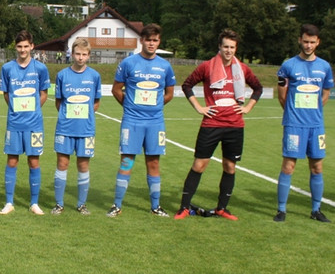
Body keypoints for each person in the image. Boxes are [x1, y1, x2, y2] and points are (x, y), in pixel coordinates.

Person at [175, 29, 263, 221]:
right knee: (199, 165)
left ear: (236, 48)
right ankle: (183, 208)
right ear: (219, 47)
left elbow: (258, 88)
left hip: (235, 125)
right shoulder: (207, 66)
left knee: (230, 167)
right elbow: (187, 85)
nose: (229, 50)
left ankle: (222, 208)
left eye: (232, 47)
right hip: (212, 123)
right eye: (225, 47)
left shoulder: (243, 69)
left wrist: (248, 107)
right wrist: (199, 107)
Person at [109, 23, 176, 218]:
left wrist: (155, 105)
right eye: (148, 40)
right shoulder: (129, 63)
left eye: (155, 40)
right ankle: (117, 205)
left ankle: (155, 207)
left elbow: (169, 93)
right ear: (141, 41)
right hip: (132, 121)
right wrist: (129, 106)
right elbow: (116, 89)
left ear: (159, 41)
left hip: (155, 122)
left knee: (153, 163)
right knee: (127, 162)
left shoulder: (165, 65)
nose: (151, 44)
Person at [274, 24, 334, 222]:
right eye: (305, 41)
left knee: (317, 166)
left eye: (312, 42)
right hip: (294, 125)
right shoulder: (288, 65)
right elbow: (282, 95)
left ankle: (316, 210)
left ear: (318, 42)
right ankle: (281, 210)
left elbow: (326, 92)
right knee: (288, 166)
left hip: (316, 126)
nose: (308, 45)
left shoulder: (324, 67)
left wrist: (314, 109)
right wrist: (294, 112)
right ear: (300, 40)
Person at [0, 30, 51, 214]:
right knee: (12, 161)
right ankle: (9, 202)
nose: (22, 50)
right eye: (19, 47)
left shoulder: (40, 68)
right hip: (14, 123)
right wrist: (16, 108)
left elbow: (44, 93)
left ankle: (34, 203)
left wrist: (34, 108)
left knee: (34, 161)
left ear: (32, 46)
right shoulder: (7, 68)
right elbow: (6, 93)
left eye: (26, 46)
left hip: (34, 124)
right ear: (16, 47)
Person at [51, 38, 102, 215]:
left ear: (89, 56)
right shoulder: (62, 75)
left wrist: (84, 115)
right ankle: (59, 204)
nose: (80, 57)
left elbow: (96, 103)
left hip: (86, 130)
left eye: (84, 54)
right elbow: (59, 103)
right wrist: (69, 116)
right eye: (77, 54)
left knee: (83, 165)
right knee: (62, 164)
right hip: (65, 128)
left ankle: (81, 204)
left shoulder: (94, 76)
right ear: (72, 54)